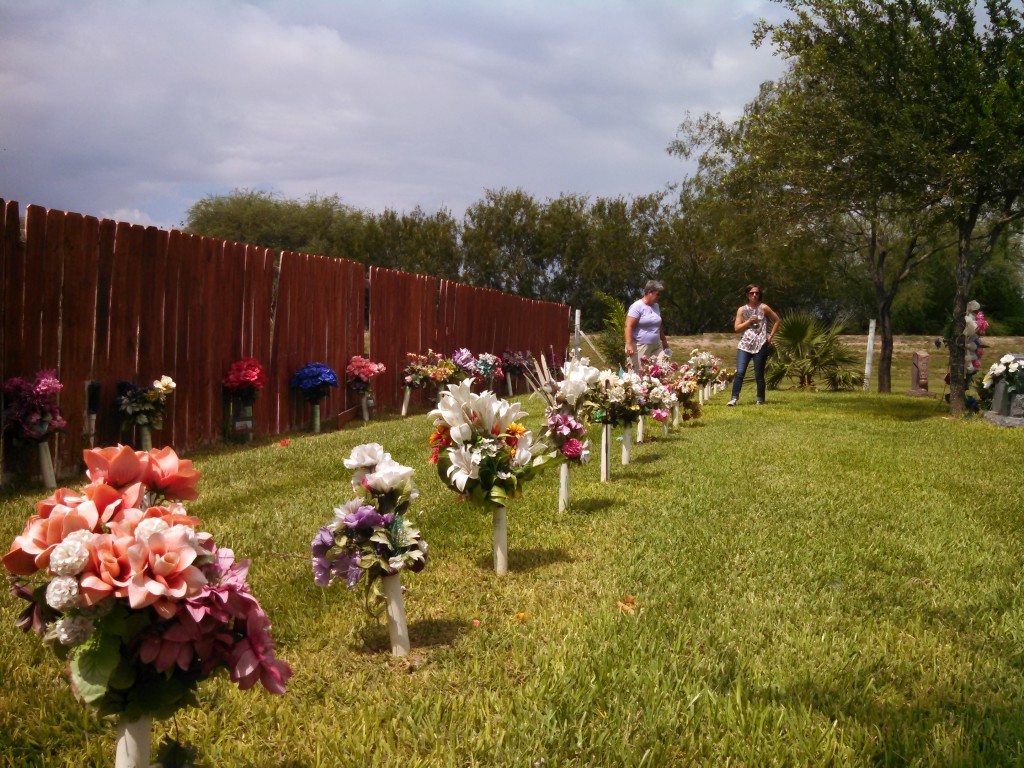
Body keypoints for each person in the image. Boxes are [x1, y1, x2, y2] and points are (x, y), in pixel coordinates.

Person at [727, 284, 780, 406]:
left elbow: (777, 320)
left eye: (756, 293)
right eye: (751, 293)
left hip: (760, 344)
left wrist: (770, 336)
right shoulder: (742, 310)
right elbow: (737, 328)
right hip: (745, 345)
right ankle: (734, 398)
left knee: (759, 374)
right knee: (740, 372)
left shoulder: (764, 307)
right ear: (747, 295)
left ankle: (760, 399)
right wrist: (748, 321)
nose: (754, 295)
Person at [624, 280, 669, 370]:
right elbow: (628, 326)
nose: (659, 297)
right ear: (649, 292)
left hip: (656, 345)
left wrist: (664, 340)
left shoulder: (656, 306)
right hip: (640, 346)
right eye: (657, 294)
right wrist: (629, 344)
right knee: (639, 373)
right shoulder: (637, 306)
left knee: (663, 369)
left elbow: (657, 325)